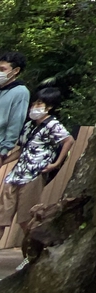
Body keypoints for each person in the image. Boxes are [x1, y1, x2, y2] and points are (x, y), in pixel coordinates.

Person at [0, 87, 72, 241]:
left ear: (49, 107)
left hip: (34, 174)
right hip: (16, 173)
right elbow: (22, 149)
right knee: (2, 214)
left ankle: (33, 249)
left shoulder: (53, 125)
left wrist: (56, 163)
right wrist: (4, 161)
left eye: (40, 104)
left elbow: (68, 140)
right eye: (34, 103)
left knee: (26, 218)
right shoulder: (28, 125)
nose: (34, 107)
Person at [0, 52, 29, 159]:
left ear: (16, 70)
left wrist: (3, 151)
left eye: (2, 69)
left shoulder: (20, 92)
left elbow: (15, 123)